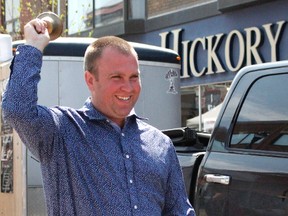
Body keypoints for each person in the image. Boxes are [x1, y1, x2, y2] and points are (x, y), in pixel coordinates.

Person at [2, 18, 195, 215]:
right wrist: (33, 48)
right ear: (90, 80)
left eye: (134, 77)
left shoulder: (160, 144)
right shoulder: (62, 133)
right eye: (116, 77)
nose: (128, 88)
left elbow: (179, 210)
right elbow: (17, 109)